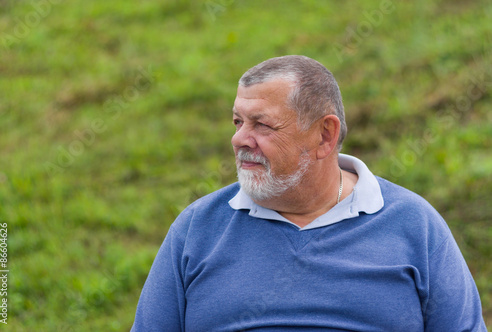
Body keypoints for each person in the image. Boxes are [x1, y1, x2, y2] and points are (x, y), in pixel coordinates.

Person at [131, 55, 486, 331]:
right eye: (238, 122)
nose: (239, 139)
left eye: (262, 124)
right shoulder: (197, 228)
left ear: (324, 136)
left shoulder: (414, 224)